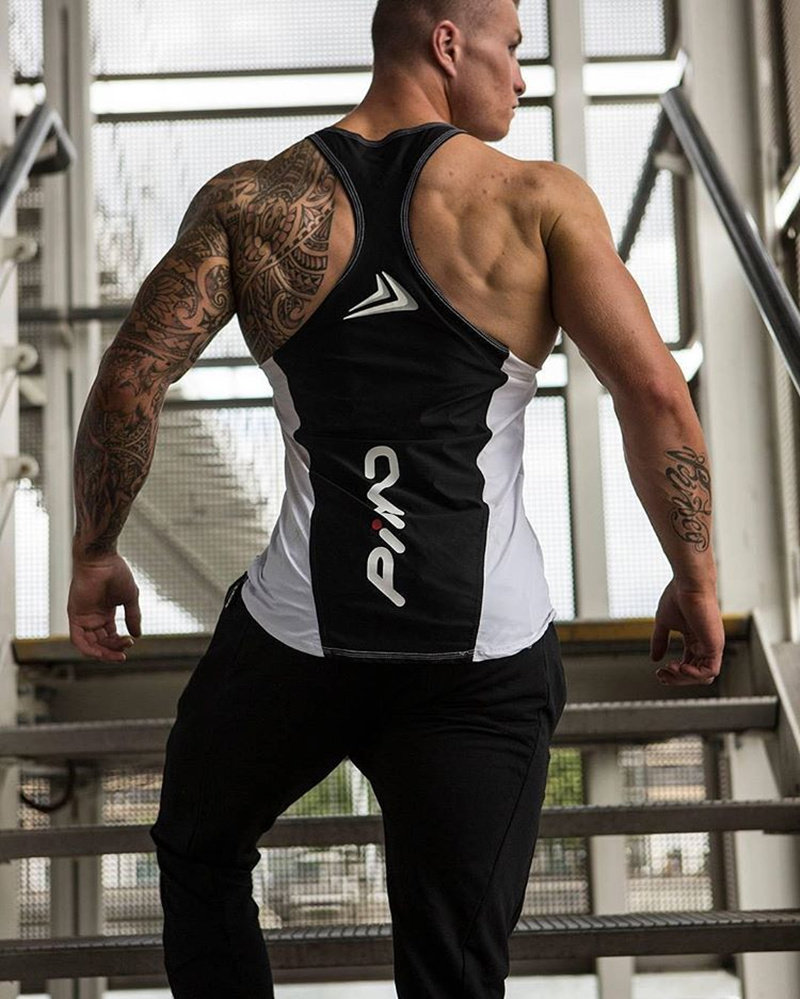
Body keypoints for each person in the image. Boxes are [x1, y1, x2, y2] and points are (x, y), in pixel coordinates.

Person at [67, 0, 726, 995]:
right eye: (512, 48)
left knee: (200, 849)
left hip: (296, 645)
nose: (521, 76)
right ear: (448, 44)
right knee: (451, 965)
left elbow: (130, 381)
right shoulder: (537, 202)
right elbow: (654, 397)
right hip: (479, 662)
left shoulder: (254, 201)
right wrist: (693, 577)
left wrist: (96, 548)